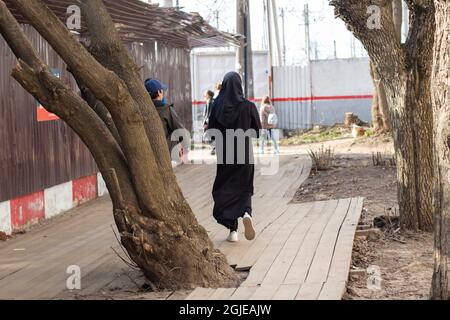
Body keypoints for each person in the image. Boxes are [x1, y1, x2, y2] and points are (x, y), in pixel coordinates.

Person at [208, 72, 262, 243]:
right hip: (244, 153)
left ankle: (233, 231)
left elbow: (211, 131)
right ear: (239, 86)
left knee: (224, 189)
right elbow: (257, 132)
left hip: (225, 154)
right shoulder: (248, 106)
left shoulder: (216, 105)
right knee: (244, 187)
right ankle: (246, 213)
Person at [145, 78, 189, 164]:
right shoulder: (166, 109)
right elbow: (181, 130)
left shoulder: (142, 109)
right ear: (159, 92)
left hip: (147, 149)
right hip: (164, 150)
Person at [203, 90, 216, 155]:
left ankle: (214, 148)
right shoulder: (211, 101)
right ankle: (214, 148)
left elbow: (209, 113)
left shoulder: (210, 102)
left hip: (209, 122)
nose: (204, 94)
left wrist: (206, 123)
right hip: (210, 121)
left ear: (208, 95)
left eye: (205, 93)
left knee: (206, 136)